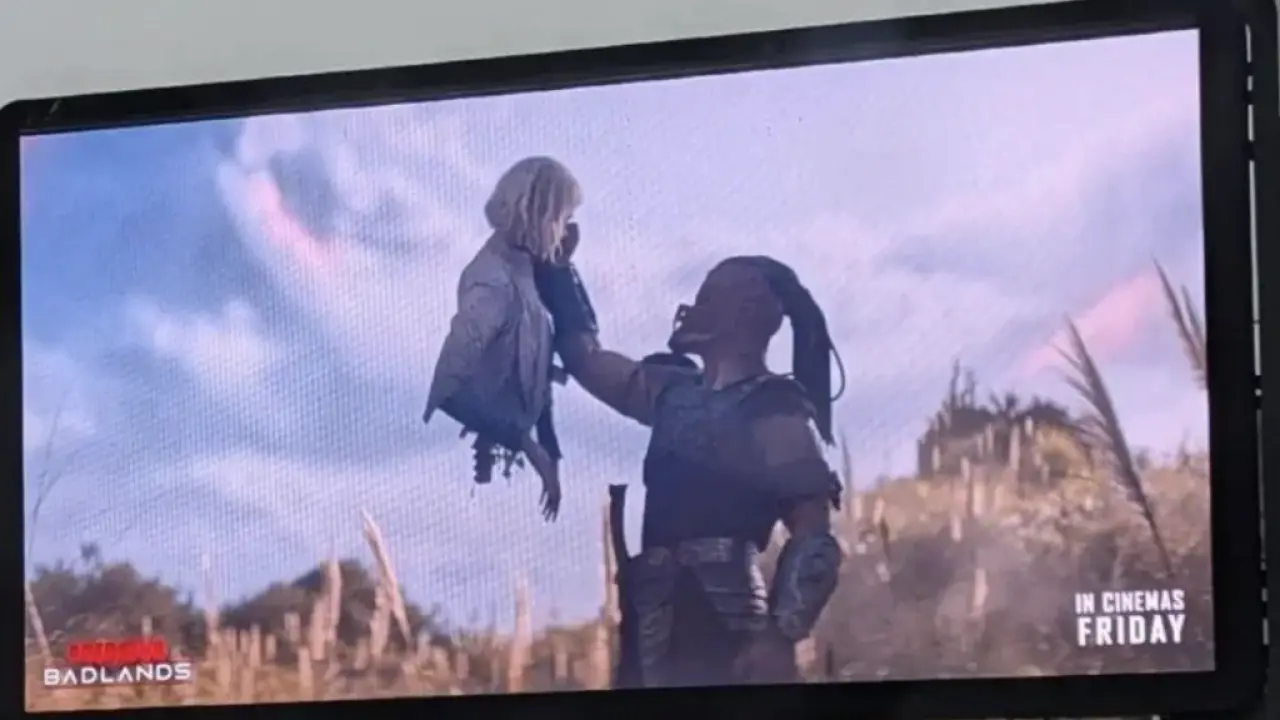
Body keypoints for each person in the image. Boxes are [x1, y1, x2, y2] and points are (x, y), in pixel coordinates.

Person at [535, 243, 845, 687]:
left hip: (723, 620)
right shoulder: (671, 392)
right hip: (652, 619)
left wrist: (779, 637)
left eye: (708, 298)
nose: (693, 310)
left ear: (743, 312)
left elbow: (813, 533)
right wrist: (557, 267)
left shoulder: (775, 409)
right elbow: (585, 358)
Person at [423, 156, 582, 521]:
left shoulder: (526, 271)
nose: (567, 232)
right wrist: (527, 445)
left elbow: (538, 370)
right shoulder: (492, 281)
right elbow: (449, 388)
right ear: (539, 214)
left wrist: (549, 453)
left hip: (509, 474)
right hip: (463, 486)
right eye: (563, 219)